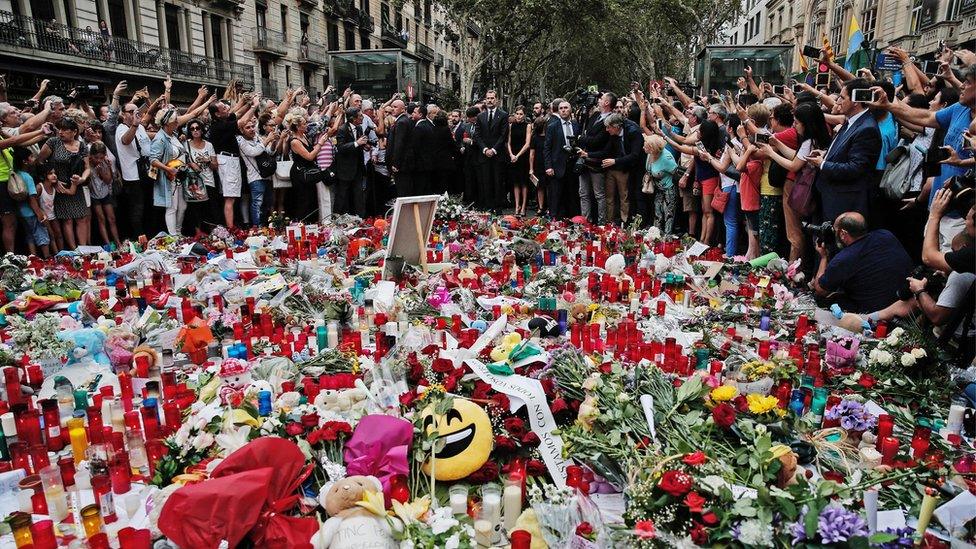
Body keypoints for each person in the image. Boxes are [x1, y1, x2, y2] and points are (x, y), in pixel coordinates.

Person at [869, 65, 974, 250]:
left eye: (967, 82)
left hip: (962, 214)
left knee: (949, 268)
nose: (961, 86)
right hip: (938, 206)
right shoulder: (959, 109)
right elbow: (925, 117)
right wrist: (890, 106)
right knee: (929, 260)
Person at [808, 78, 882, 223]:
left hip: (846, 202)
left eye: (842, 97)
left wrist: (822, 164)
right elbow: (844, 152)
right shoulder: (851, 121)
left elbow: (856, 168)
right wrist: (826, 154)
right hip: (830, 195)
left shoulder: (867, 128)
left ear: (855, 101)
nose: (838, 101)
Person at [813, 211, 912, 314]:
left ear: (843, 233)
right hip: (904, 300)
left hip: (874, 312)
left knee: (823, 300)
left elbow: (821, 289)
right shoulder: (886, 235)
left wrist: (824, 257)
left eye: (835, 230)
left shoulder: (843, 259)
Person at [37, 118, 90, 249]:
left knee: (82, 217)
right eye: (59, 129)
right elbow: (40, 161)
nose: (61, 132)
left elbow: (88, 167)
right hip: (59, 186)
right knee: (67, 220)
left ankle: (83, 249)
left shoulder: (81, 145)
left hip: (76, 184)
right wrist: (51, 180)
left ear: (74, 132)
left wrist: (82, 179)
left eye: (65, 130)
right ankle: (73, 250)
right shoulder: (53, 142)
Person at [590, 113, 644, 225]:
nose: (606, 130)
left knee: (625, 196)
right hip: (613, 166)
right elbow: (606, 151)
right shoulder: (613, 134)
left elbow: (635, 155)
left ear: (616, 126)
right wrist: (588, 154)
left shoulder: (633, 131)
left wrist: (615, 161)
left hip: (631, 167)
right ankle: (609, 222)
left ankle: (625, 221)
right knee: (609, 196)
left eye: (608, 127)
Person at [577, 92, 614, 224]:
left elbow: (598, 141)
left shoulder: (611, 119)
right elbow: (585, 130)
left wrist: (583, 139)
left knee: (599, 194)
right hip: (583, 159)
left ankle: (601, 223)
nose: (598, 100)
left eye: (602, 98)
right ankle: (585, 221)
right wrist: (584, 139)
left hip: (597, 161)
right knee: (583, 193)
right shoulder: (596, 115)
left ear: (607, 103)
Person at [149, 108, 186, 235]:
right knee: (172, 208)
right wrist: (168, 168)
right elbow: (153, 159)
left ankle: (178, 232)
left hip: (180, 175)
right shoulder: (160, 138)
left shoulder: (173, 135)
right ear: (167, 123)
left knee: (182, 206)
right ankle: (174, 236)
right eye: (174, 120)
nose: (177, 122)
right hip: (169, 176)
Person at [922, 188, 975, 274]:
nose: (965, 221)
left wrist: (934, 216)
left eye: (967, 219)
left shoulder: (972, 254)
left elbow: (928, 257)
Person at [11, 147, 50, 257]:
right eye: (31, 157)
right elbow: (32, 199)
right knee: (41, 233)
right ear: (25, 161)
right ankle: (47, 258)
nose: (34, 158)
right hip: (31, 212)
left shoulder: (15, 174)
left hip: (21, 212)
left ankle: (33, 258)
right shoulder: (27, 177)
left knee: (29, 235)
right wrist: (39, 214)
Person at [543, 100, 579, 219]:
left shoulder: (576, 125)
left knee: (572, 194)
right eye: (561, 108)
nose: (563, 110)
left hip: (573, 165)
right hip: (557, 166)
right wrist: (548, 166)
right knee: (556, 195)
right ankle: (555, 219)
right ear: (558, 111)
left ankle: (572, 220)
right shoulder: (553, 126)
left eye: (566, 108)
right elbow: (547, 147)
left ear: (570, 110)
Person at [237, 119, 276, 226]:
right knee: (257, 204)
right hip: (255, 178)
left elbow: (270, 152)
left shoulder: (258, 138)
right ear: (241, 130)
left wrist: (274, 141)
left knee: (267, 204)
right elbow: (254, 152)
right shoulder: (241, 142)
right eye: (247, 127)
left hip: (267, 176)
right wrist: (267, 140)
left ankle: (265, 226)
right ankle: (257, 227)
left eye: (252, 126)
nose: (251, 129)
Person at [474, 90, 509, 212]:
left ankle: (497, 207)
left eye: (492, 98)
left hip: (497, 154)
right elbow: (477, 135)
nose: (489, 100)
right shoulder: (480, 116)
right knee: (486, 182)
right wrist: (485, 149)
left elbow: (503, 135)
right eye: (488, 98)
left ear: (497, 100)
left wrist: (493, 149)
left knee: (498, 181)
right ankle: (487, 207)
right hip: (484, 155)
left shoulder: (503, 115)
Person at [334, 107, 369, 215]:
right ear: (353, 118)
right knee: (342, 195)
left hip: (357, 168)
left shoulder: (359, 128)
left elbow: (358, 145)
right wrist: (357, 143)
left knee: (359, 196)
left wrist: (364, 146)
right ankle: (337, 217)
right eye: (360, 116)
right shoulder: (342, 129)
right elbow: (340, 148)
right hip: (345, 169)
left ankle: (361, 218)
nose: (362, 117)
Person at [186, 119, 218, 236]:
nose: (195, 130)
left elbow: (215, 166)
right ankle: (197, 232)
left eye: (197, 128)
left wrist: (207, 160)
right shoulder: (186, 144)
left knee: (209, 208)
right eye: (192, 129)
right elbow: (183, 160)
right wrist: (191, 164)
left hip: (208, 180)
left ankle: (211, 233)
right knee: (195, 209)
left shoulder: (209, 145)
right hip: (194, 182)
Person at [86, 140, 120, 248]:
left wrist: (102, 172)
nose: (99, 160)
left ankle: (117, 242)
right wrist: (93, 172)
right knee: (101, 218)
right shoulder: (87, 164)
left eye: (101, 158)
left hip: (105, 193)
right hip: (94, 195)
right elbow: (88, 183)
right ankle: (107, 244)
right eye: (96, 158)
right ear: (91, 156)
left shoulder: (105, 163)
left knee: (112, 218)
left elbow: (108, 180)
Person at [644, 134, 678, 234]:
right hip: (658, 188)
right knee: (657, 212)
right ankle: (656, 235)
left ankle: (667, 237)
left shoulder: (666, 158)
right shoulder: (650, 154)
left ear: (652, 148)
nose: (643, 147)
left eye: (645, 146)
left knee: (668, 214)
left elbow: (675, 173)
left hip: (669, 188)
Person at [507, 106, 531, 216]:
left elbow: (527, 143)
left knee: (524, 183)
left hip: (523, 156)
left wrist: (518, 155)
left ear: (524, 115)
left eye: (521, 114)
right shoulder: (511, 126)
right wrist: (511, 154)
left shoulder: (528, 126)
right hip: (513, 156)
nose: (518, 116)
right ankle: (517, 206)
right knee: (515, 182)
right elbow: (508, 142)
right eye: (517, 113)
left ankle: (523, 207)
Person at [387, 100, 414, 197]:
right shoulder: (402, 120)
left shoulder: (402, 122)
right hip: (403, 163)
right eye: (392, 107)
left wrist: (396, 163)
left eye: (395, 107)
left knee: (403, 190)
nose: (392, 109)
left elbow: (399, 144)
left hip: (402, 164)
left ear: (403, 109)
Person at [528, 116, 547, 216]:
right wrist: (531, 168)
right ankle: (541, 207)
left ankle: (545, 206)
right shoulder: (534, 137)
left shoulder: (549, 136)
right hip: (538, 164)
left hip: (546, 163)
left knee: (547, 186)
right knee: (540, 187)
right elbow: (532, 154)